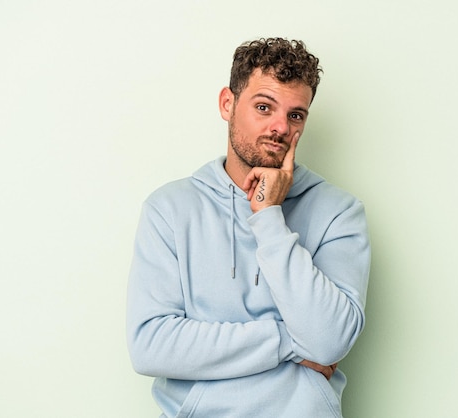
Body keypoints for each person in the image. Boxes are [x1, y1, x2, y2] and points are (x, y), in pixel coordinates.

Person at [126, 37, 371, 417]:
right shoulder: (170, 209)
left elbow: (330, 341)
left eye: (296, 115)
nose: (280, 128)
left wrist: (269, 217)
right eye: (263, 107)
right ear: (228, 104)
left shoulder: (339, 212)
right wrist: (290, 340)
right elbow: (151, 345)